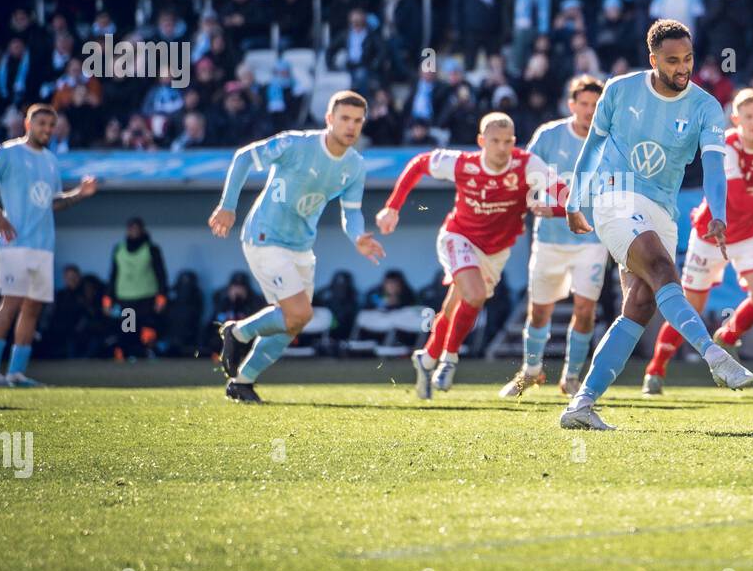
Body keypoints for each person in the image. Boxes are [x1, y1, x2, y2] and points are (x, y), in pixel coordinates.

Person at [558, 19, 753, 430]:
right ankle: (714, 355)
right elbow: (593, 147)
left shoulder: (705, 105)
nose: (683, 68)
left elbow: (714, 166)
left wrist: (717, 212)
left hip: (663, 209)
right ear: (653, 60)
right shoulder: (619, 89)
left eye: (688, 59)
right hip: (615, 194)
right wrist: (575, 200)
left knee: (642, 304)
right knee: (664, 270)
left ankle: (582, 403)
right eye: (672, 61)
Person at [642, 88, 753, 394]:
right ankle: (656, 368)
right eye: (747, 117)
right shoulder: (726, 145)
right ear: (736, 119)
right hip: (713, 232)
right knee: (690, 307)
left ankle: (727, 336)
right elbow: (737, 201)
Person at [208, 91, 385, 403]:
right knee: (299, 312)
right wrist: (227, 206)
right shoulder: (296, 144)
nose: (351, 126)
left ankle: (242, 381)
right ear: (329, 119)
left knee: (295, 322)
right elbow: (244, 157)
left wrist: (357, 236)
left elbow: (352, 211)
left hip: (301, 245)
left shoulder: (355, 165)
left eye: (358, 121)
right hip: (264, 236)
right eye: (344, 118)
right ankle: (238, 333)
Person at [376, 112, 567, 399]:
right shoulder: (462, 163)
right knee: (475, 295)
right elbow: (419, 164)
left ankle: (426, 359)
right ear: (481, 141)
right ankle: (449, 360)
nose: (502, 148)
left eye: (507, 141)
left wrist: (556, 210)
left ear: (514, 142)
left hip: (496, 252)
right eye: (494, 141)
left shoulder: (527, 165)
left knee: (454, 307)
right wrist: (392, 207)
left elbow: (567, 195)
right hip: (458, 236)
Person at [0, 104, 98, 386]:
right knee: (11, 302)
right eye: (41, 124)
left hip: (43, 245)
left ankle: (16, 373)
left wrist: (80, 193)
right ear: (28, 124)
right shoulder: (6, 152)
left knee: (33, 309)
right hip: (14, 243)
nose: (47, 130)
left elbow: (53, 202)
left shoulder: (51, 160)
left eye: (51, 126)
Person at [500, 75, 611, 399]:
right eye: (584, 104)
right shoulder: (548, 135)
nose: (590, 111)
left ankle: (572, 376)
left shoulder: (609, 141)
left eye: (595, 105)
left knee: (585, 309)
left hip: (591, 240)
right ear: (571, 104)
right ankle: (531, 371)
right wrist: (531, 200)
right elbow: (524, 175)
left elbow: (607, 195)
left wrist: (560, 208)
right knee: (539, 312)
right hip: (548, 240)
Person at [107, 217, 169, 358]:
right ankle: (130, 354)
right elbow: (113, 274)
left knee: (148, 328)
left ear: (142, 230)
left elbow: (161, 274)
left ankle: (149, 352)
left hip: (146, 297)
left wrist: (162, 296)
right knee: (128, 329)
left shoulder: (151, 249)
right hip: (126, 298)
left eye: (137, 228)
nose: (134, 231)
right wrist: (108, 297)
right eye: (131, 228)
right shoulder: (119, 249)